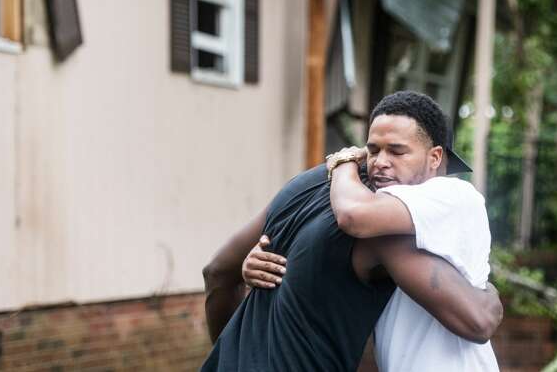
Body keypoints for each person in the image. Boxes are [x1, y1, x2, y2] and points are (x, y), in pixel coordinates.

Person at [200, 92, 503, 371]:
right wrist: (489, 291)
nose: (382, 163)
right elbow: (478, 320)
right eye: (375, 150)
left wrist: (235, 356)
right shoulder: (381, 231)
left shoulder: (304, 185)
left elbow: (217, 272)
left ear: (435, 157)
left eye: (397, 152)